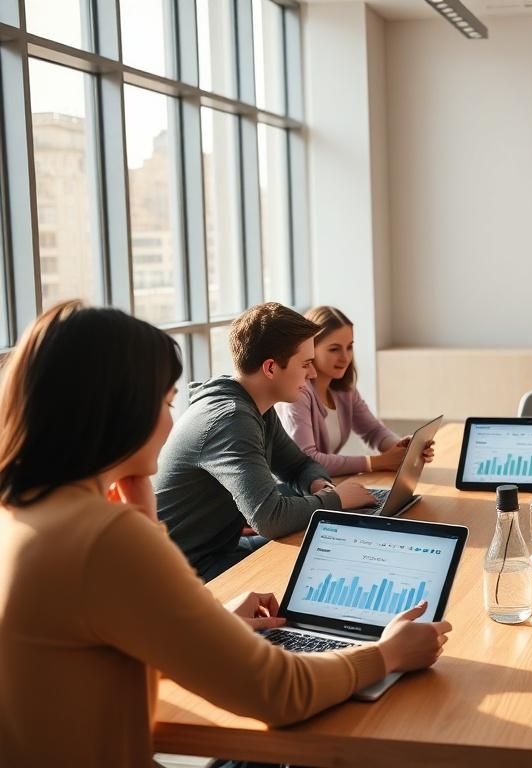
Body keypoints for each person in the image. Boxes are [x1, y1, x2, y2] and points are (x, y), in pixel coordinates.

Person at [0, 302, 452, 768]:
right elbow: (278, 693)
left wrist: (211, 618)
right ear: (118, 410)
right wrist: (386, 655)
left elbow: (98, 657)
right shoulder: (104, 537)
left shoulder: (22, 514)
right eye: (166, 401)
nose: (173, 423)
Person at [155, 303, 376, 582]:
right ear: (271, 368)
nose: (312, 374)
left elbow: (299, 465)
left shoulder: (256, 406)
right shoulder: (231, 418)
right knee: (328, 558)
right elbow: (269, 518)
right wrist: (336, 499)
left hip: (221, 550)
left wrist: (319, 485)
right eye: (305, 364)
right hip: (188, 571)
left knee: (335, 545)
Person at [276, 306, 434, 476]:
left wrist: (403, 448)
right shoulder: (298, 394)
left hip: (324, 486)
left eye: (349, 347)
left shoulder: (344, 391)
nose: (345, 357)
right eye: (334, 349)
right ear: (310, 348)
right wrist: (376, 462)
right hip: (291, 494)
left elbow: (373, 431)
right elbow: (307, 460)